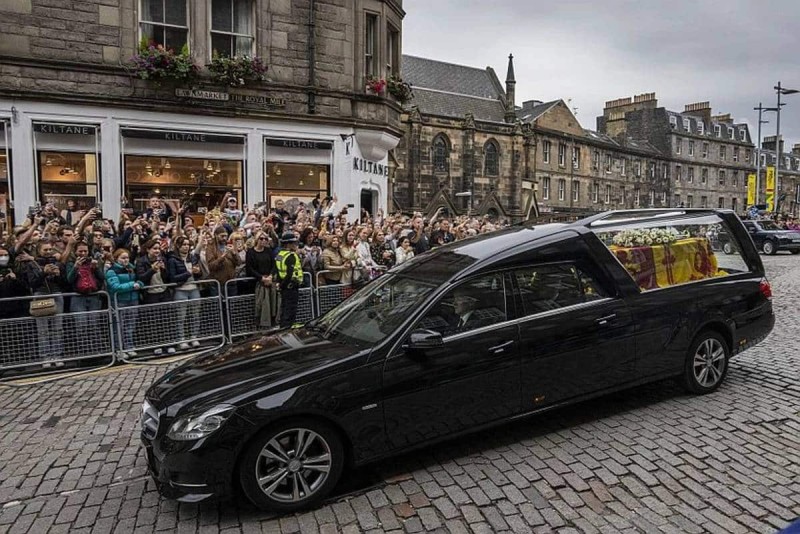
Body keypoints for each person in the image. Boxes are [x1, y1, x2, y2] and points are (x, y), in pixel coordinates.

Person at [106, 248, 143, 357]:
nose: (125, 260)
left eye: (127, 257)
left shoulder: (131, 268)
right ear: (117, 259)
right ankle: (119, 349)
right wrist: (132, 285)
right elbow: (115, 287)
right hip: (120, 301)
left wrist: (140, 283)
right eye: (123, 258)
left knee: (130, 326)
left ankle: (129, 346)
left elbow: (139, 280)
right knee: (119, 327)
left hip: (133, 300)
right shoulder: (112, 271)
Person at [167, 236, 202, 350]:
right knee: (181, 317)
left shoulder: (192, 257)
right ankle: (181, 339)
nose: (186, 247)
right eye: (184, 245)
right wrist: (189, 273)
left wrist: (197, 272)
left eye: (188, 244)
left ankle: (193, 337)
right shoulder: (172, 259)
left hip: (194, 288)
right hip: (181, 290)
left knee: (195, 315)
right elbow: (173, 278)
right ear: (178, 246)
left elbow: (198, 274)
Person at [246, 231, 278, 328]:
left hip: (269, 279)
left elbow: (274, 265)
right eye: (261, 238)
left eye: (266, 239)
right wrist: (261, 278)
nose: (264, 241)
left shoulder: (268, 251)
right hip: (258, 282)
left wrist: (271, 276)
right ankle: (261, 323)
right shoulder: (250, 252)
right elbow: (250, 268)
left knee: (272, 302)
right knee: (261, 303)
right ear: (257, 239)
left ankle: (273, 321)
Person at [274, 232, 303, 329]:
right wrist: (283, 285)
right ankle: (288, 327)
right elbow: (289, 274)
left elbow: (277, 270)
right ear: (288, 244)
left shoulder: (280, 255)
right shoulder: (291, 256)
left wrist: (280, 284)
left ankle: (284, 326)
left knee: (285, 308)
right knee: (290, 308)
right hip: (290, 286)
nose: (296, 245)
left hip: (284, 286)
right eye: (294, 243)